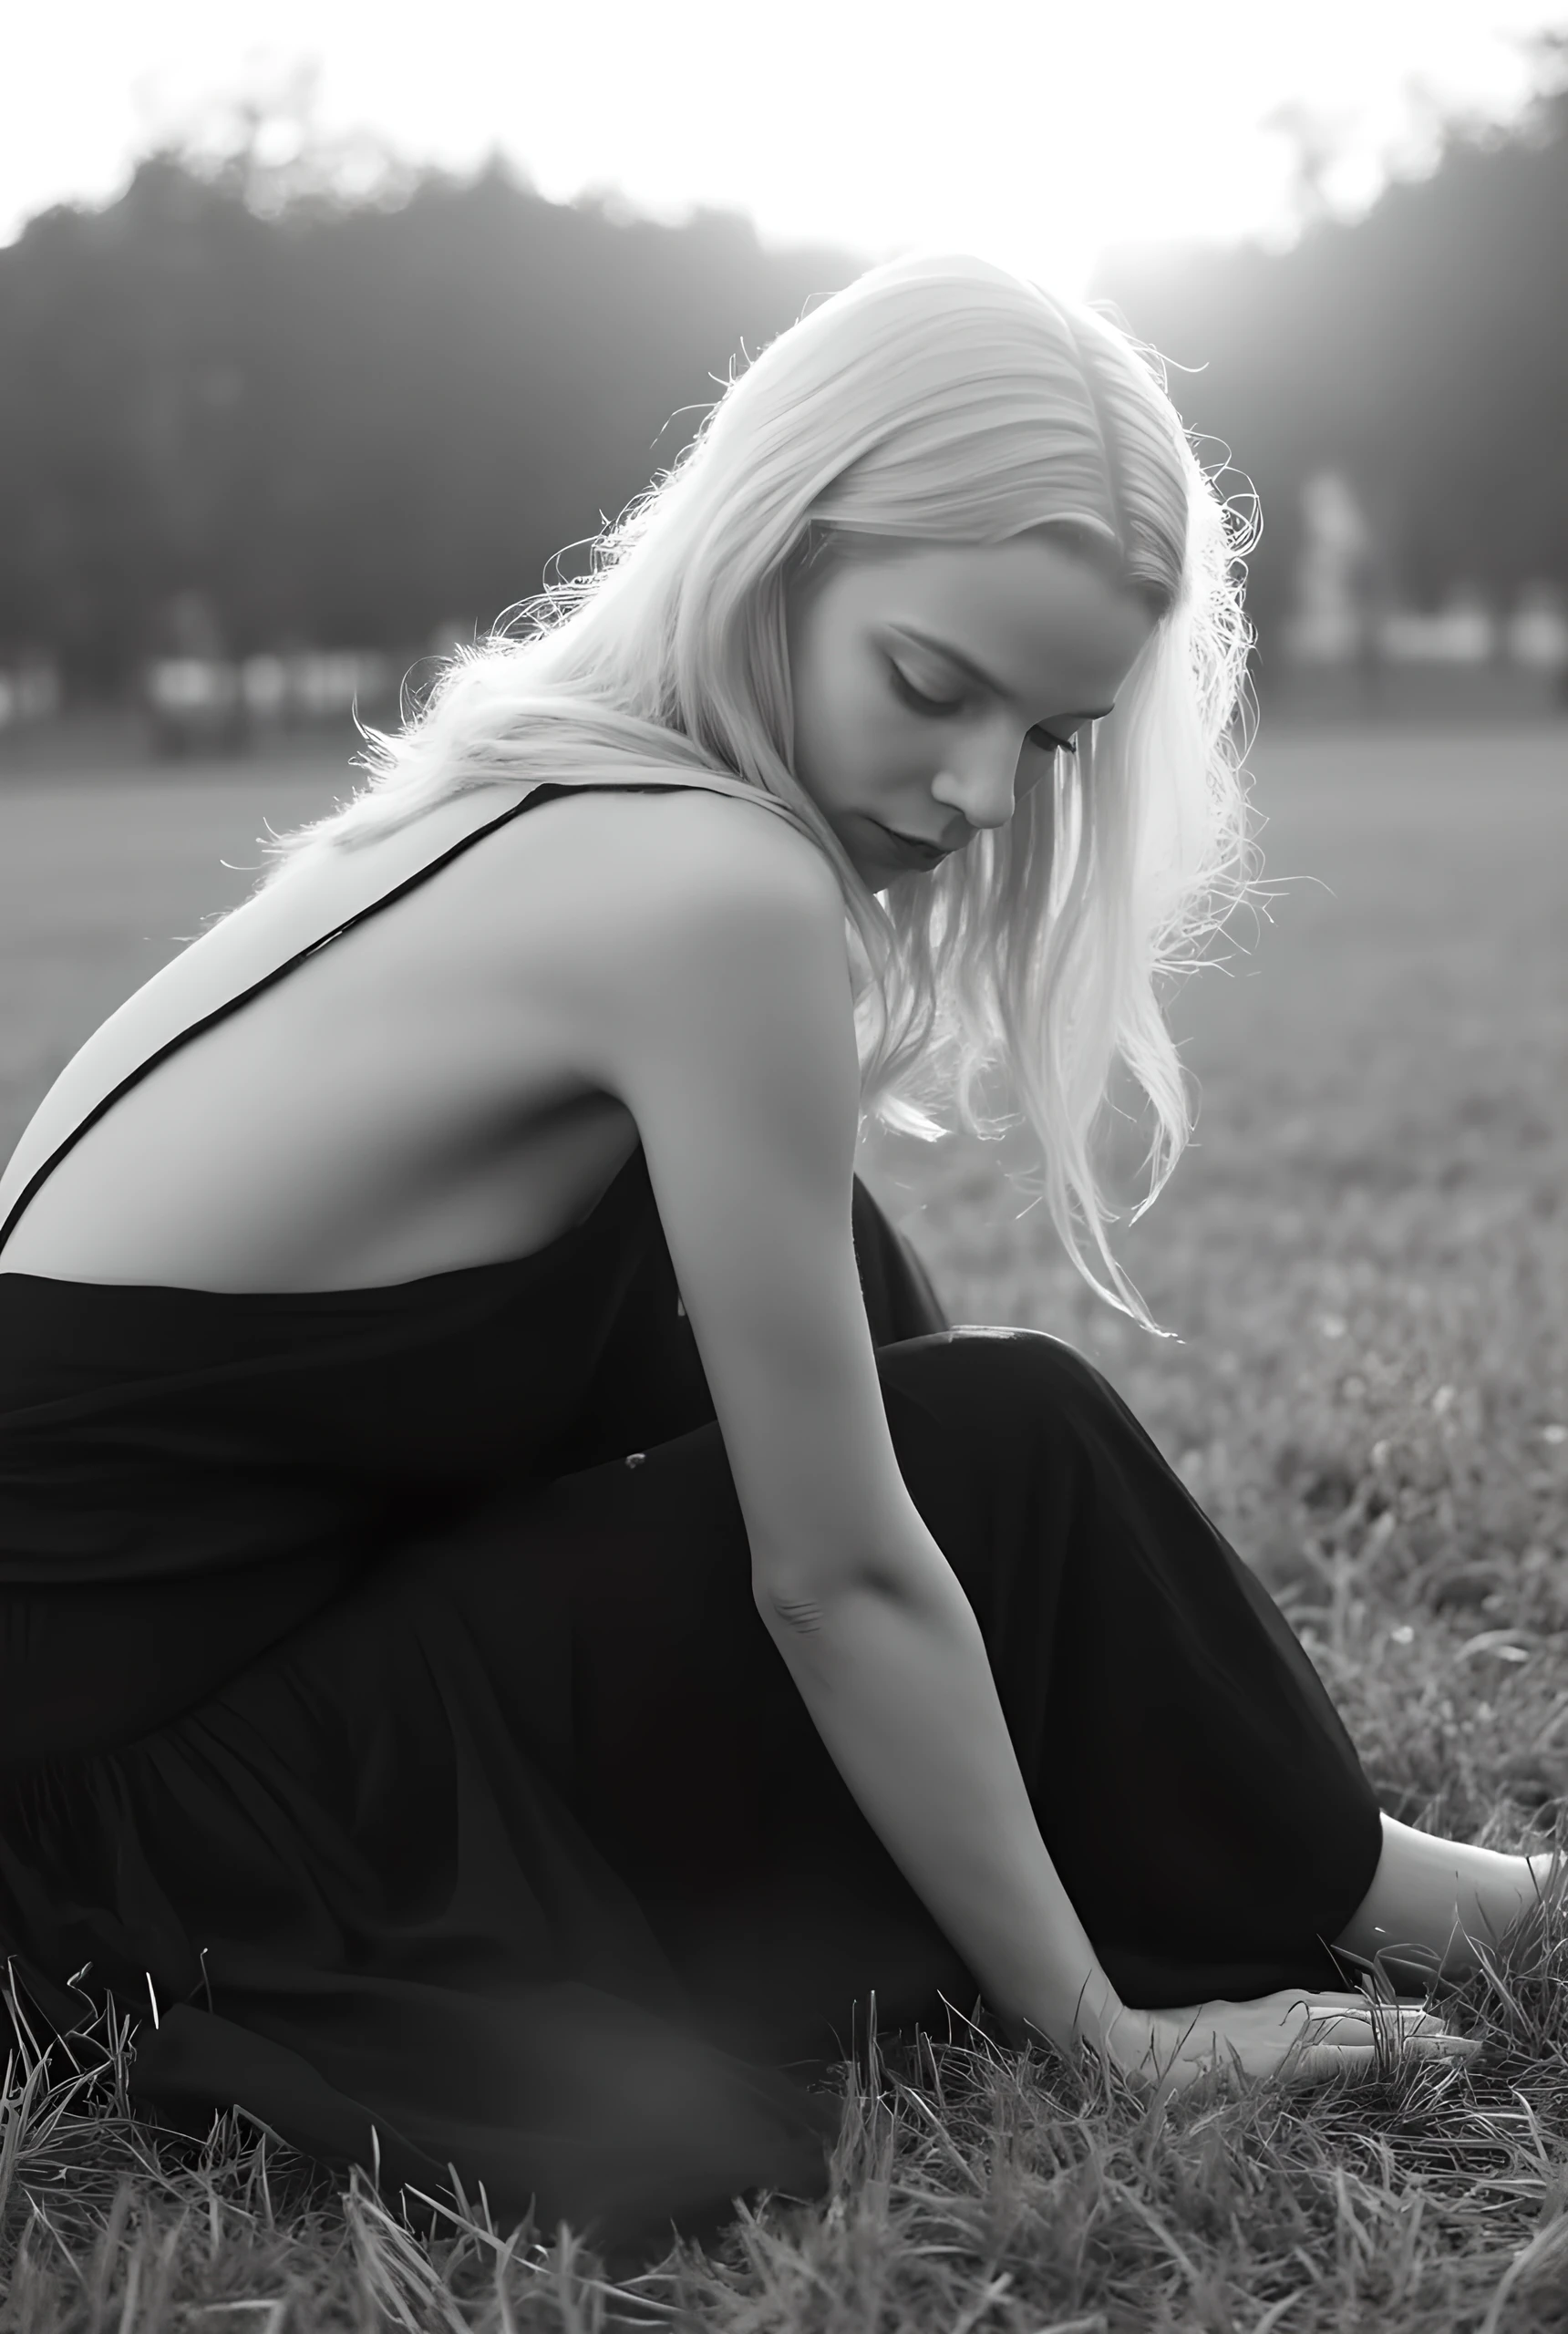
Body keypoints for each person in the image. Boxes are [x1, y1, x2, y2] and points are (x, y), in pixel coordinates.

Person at [0, 253, 1545, 2258]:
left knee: (848, 1287)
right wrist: (1097, 2032)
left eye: (1051, 736)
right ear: (771, 554)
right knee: (1005, 1431)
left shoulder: (539, 782)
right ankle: (1368, 1886)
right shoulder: (706, 885)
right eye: (930, 683)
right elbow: (829, 1565)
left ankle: (1317, 1855)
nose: (982, 789)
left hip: (122, 1762)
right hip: (135, 1844)